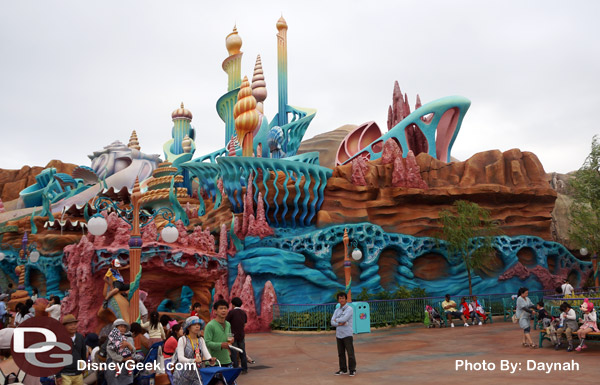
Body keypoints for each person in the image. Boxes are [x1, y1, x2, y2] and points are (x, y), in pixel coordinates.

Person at [172, 316, 215, 385]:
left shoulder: (201, 340)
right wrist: (193, 361)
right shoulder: (183, 340)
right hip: (183, 374)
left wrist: (210, 359)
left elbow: (206, 353)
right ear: (188, 327)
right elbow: (180, 358)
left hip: (197, 374)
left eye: (198, 325)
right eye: (194, 325)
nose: (197, 326)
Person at [331, 292, 356, 377]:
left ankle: (352, 369)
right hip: (339, 334)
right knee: (341, 353)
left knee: (350, 353)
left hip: (347, 334)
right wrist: (339, 323)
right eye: (339, 298)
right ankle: (343, 369)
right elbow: (332, 322)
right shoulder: (337, 310)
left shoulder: (349, 309)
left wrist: (336, 320)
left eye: (342, 298)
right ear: (338, 300)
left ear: (346, 299)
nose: (341, 300)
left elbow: (344, 318)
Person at [58, 314, 87, 385]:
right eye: (70, 325)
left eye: (75, 324)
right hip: (64, 374)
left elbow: (83, 354)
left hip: (78, 374)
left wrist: (82, 368)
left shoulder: (80, 337)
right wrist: (58, 375)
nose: (73, 327)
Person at [204, 299, 233, 367]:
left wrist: (231, 340)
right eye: (221, 308)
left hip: (226, 360)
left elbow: (229, 337)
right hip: (213, 362)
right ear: (215, 311)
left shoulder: (228, 324)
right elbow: (207, 343)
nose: (223, 310)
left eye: (225, 308)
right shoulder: (210, 325)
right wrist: (220, 345)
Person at [226, 297, 248, 374]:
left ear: (233, 304)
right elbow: (245, 324)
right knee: (242, 352)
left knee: (234, 353)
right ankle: (244, 368)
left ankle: (235, 369)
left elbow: (226, 323)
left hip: (233, 336)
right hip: (241, 335)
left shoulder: (231, 312)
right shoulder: (243, 313)